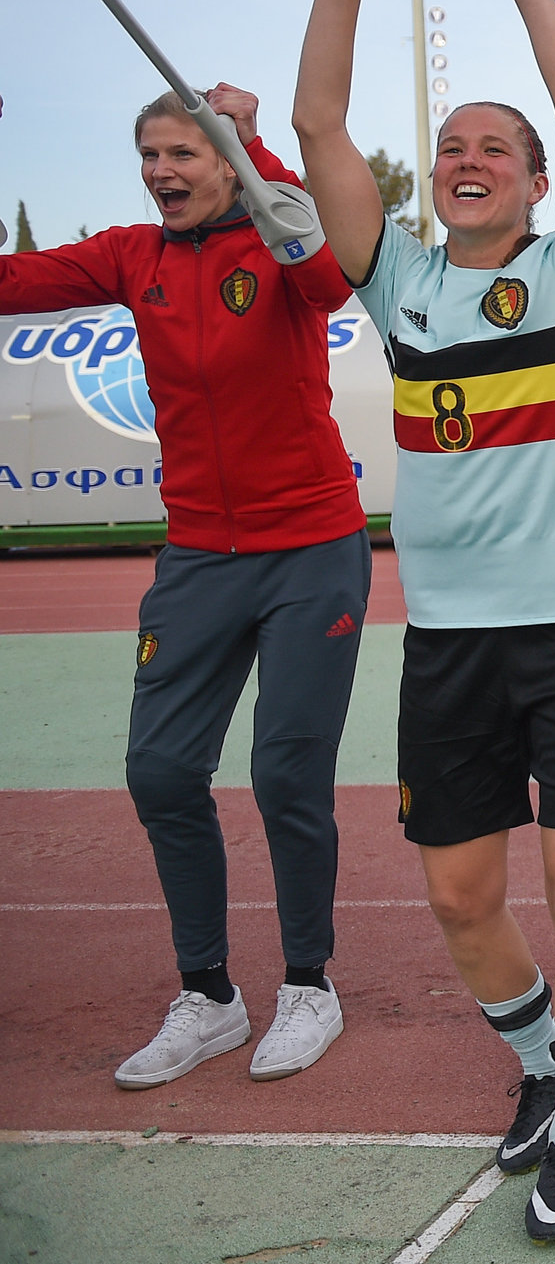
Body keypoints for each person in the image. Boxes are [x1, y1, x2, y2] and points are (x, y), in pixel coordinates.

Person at [291, 0, 555, 1246]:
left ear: (529, 180)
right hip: (447, 638)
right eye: (450, 148)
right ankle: (534, 1065)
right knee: (458, 893)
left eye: (489, 149)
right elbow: (324, 124)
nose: (466, 162)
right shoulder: (399, 280)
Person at [0, 84, 370, 1091]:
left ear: (224, 164)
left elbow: (330, 281)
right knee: (161, 773)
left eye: (184, 155)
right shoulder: (131, 254)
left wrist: (261, 149)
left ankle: (308, 985)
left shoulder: (277, 242)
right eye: (151, 156)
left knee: (287, 777)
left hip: (311, 550)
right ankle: (209, 996)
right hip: (199, 556)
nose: (164, 172)